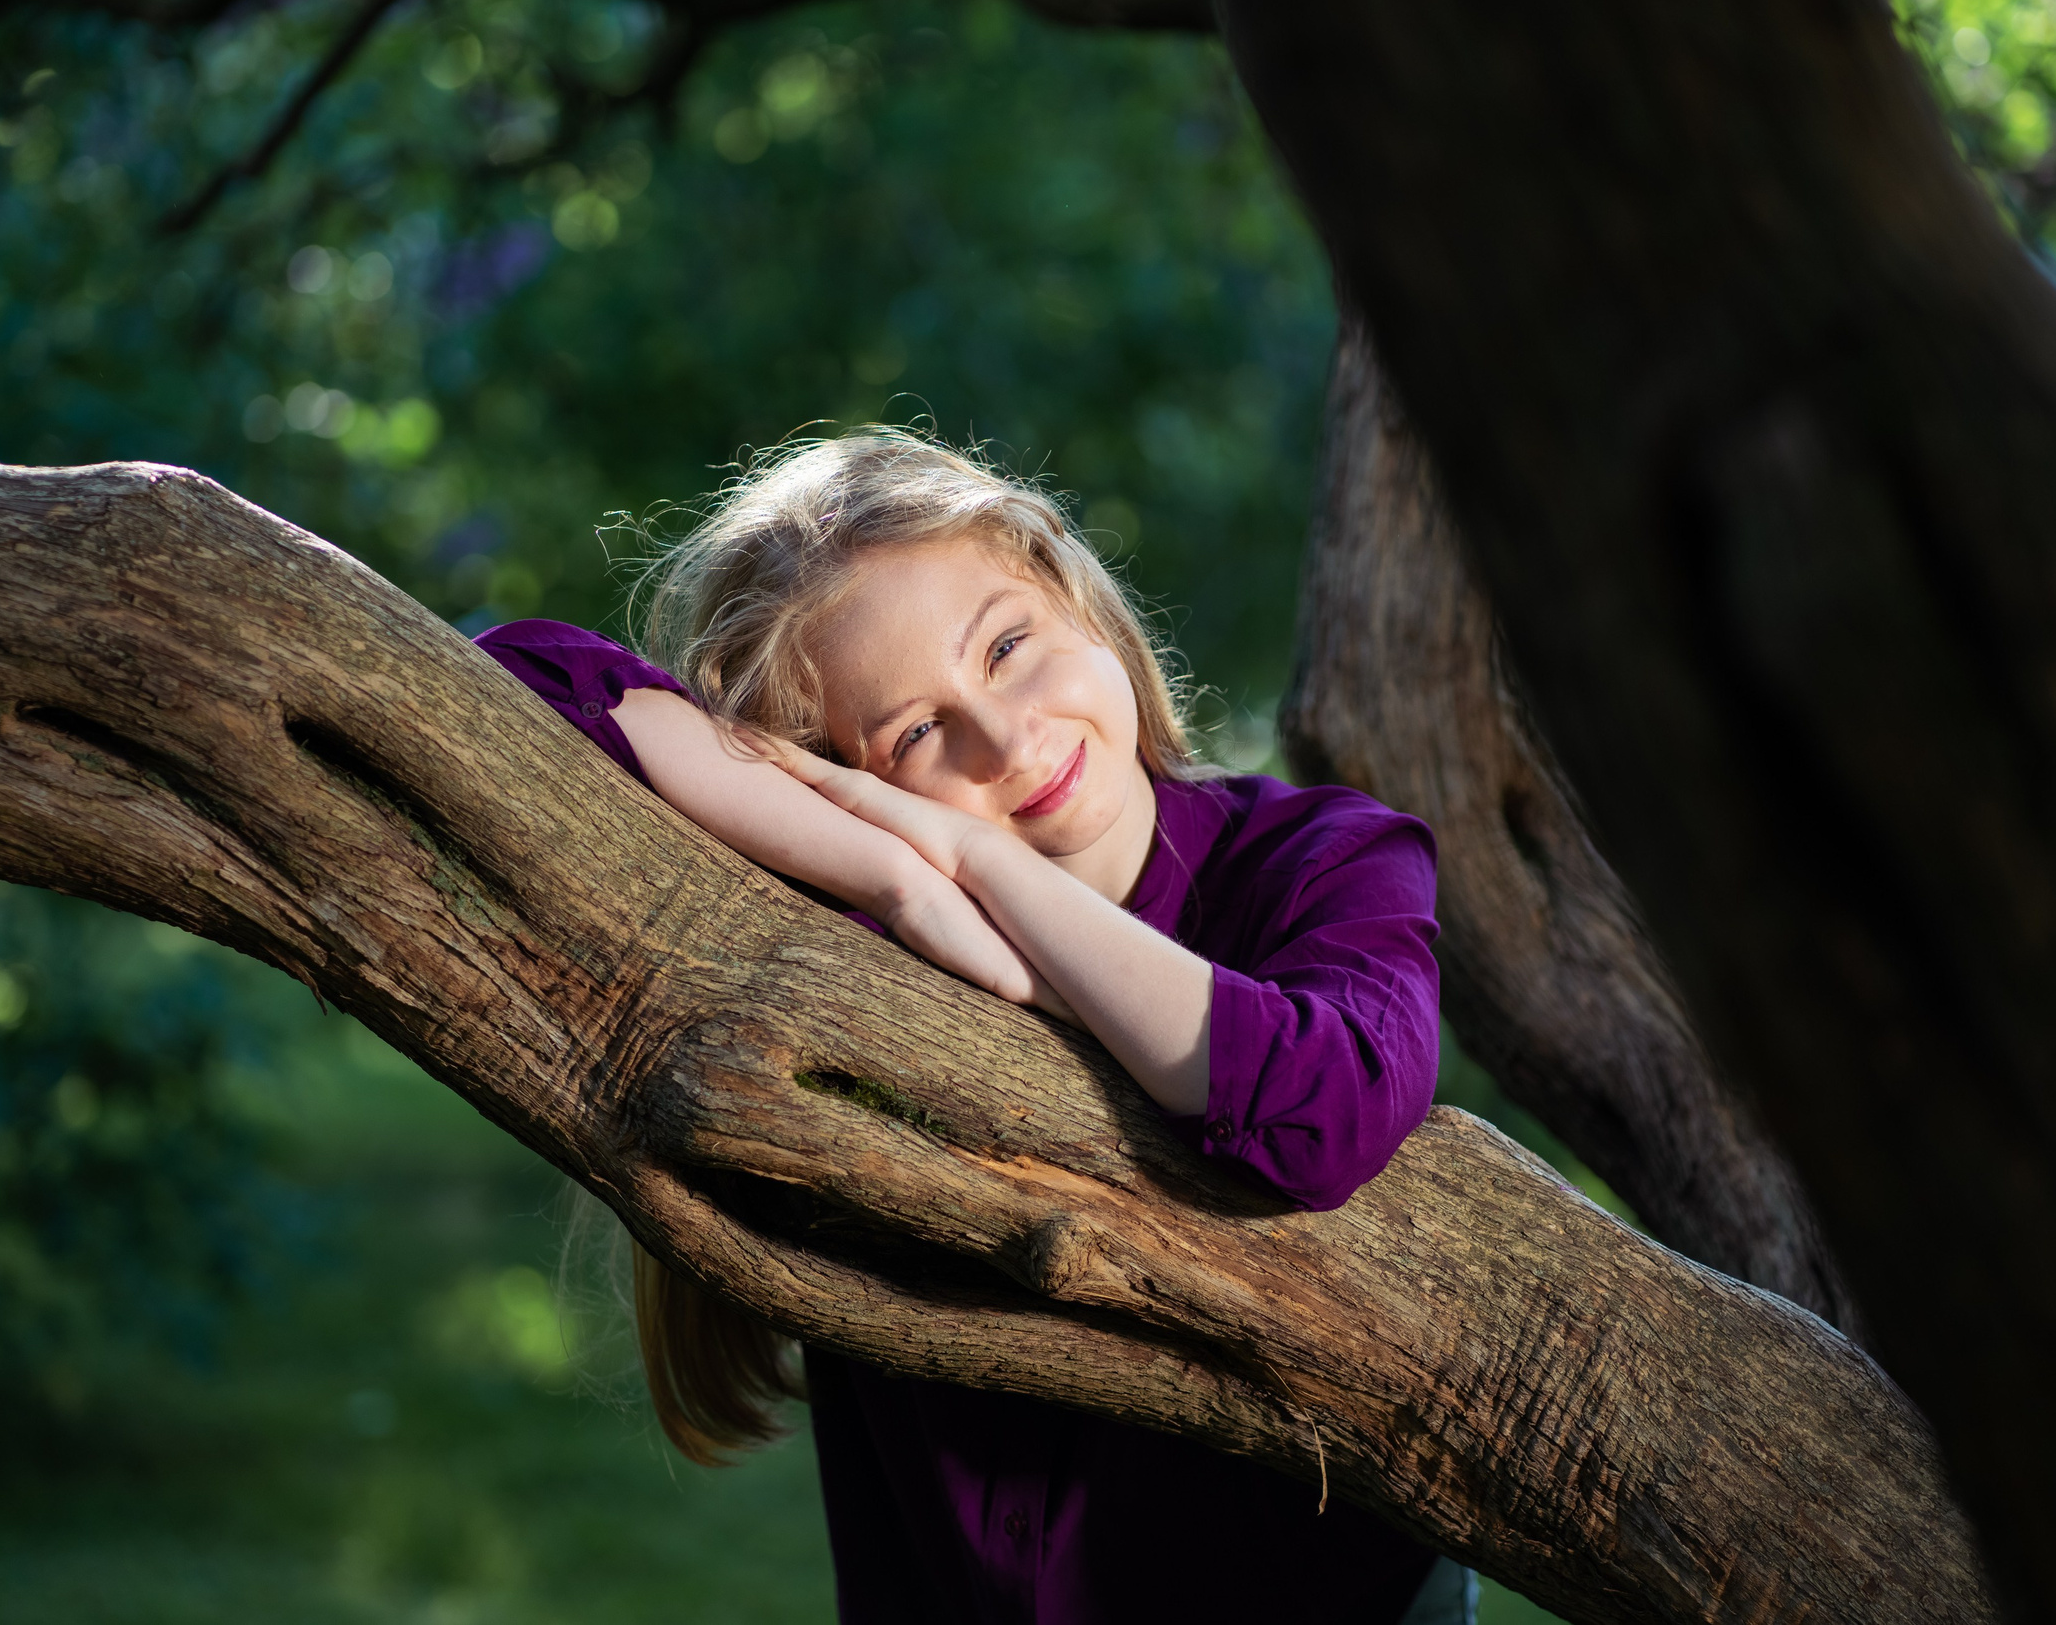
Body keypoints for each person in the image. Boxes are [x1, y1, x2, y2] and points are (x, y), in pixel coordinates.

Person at [474, 429, 1471, 1625]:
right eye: (913, 734)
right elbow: (523, 675)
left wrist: (977, 855)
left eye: (1007, 645)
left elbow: (1328, 1111)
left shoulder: (1327, 859)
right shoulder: (862, 914)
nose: (1003, 740)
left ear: (1074, 594)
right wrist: (896, 876)